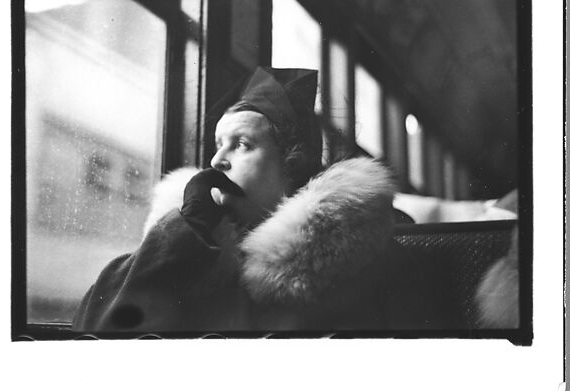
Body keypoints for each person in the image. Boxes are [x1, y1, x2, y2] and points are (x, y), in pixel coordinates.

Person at [73, 67, 433, 334]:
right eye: (217, 145)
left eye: (241, 144)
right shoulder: (190, 248)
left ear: (293, 164)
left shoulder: (373, 259)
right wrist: (184, 233)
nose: (216, 162)